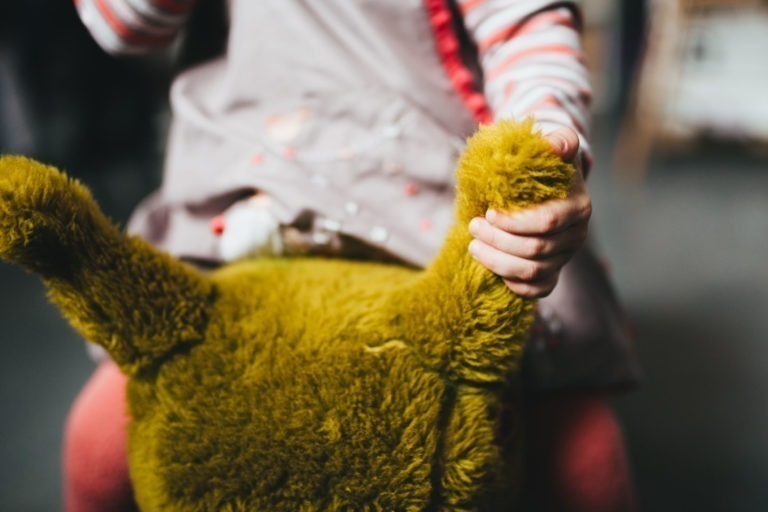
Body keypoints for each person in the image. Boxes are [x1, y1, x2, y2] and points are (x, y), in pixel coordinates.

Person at [65, 0, 641, 510]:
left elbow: (522, 25)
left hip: (426, 189)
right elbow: (124, 28)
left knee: (588, 467)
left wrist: (542, 151)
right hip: (243, 187)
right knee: (95, 448)